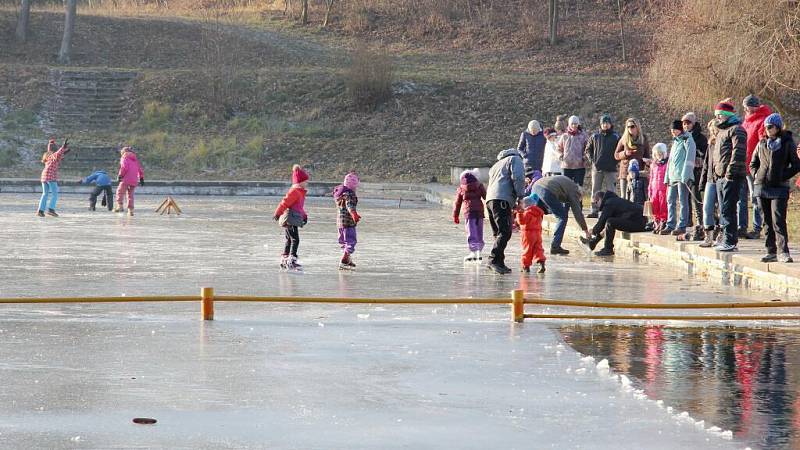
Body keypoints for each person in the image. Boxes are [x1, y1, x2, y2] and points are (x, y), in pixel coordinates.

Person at [750, 113, 800, 263]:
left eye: (770, 127)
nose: (767, 130)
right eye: (765, 127)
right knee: (766, 221)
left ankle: (783, 251)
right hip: (762, 187)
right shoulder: (761, 144)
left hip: (779, 188)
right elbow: (753, 163)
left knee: (778, 220)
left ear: (777, 127)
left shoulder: (787, 143)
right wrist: (757, 176)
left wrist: (782, 176)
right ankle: (770, 251)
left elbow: (796, 165)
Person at [709, 100, 747, 252]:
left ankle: (730, 240)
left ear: (727, 115)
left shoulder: (737, 129)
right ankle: (726, 238)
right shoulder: (721, 132)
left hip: (731, 176)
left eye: (720, 116)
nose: (717, 118)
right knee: (723, 210)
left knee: (728, 208)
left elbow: (738, 152)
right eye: (716, 116)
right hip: (720, 176)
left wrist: (729, 173)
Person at [527, 175, 592, 255]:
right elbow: (577, 212)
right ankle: (555, 246)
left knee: (537, 215)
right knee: (562, 217)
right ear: (580, 194)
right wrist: (585, 230)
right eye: (579, 199)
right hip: (547, 189)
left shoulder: (568, 184)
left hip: (536, 186)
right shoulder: (575, 190)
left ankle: (532, 244)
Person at [485, 148, 526, 274]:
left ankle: (499, 261)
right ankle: (493, 260)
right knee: (505, 231)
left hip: (490, 200)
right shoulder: (515, 159)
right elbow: (518, 178)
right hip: (501, 199)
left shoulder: (496, 165)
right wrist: (520, 196)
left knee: (498, 233)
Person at [740, 95, 772, 239]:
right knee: (742, 198)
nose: (745, 109)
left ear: (754, 106)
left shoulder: (763, 120)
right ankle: (742, 226)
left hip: (755, 166)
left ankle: (758, 227)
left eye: (747, 106)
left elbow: (763, 144)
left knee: (756, 197)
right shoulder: (746, 121)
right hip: (742, 164)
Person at [580, 190, 647, 256]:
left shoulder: (609, 203)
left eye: (596, 203)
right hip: (638, 221)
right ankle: (593, 243)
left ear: (600, 199)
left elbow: (602, 221)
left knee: (610, 222)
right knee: (609, 223)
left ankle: (608, 249)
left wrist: (593, 231)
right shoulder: (612, 200)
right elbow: (604, 224)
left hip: (637, 223)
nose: (596, 206)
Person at [661, 120, 696, 235]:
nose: (673, 133)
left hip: (682, 177)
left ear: (679, 129)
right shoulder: (675, 142)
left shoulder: (688, 140)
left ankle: (682, 225)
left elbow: (690, 159)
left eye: (674, 130)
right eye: (671, 131)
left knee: (683, 201)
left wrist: (685, 175)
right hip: (672, 177)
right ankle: (670, 224)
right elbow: (670, 161)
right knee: (670, 200)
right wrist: (667, 177)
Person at [273, 165, 310, 270]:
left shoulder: (300, 192)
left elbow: (299, 208)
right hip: (290, 219)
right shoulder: (295, 191)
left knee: (289, 239)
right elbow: (284, 202)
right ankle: (291, 261)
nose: (307, 183)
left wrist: (304, 216)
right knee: (295, 240)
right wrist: (277, 213)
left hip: (293, 218)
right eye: (305, 181)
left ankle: (285, 259)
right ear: (300, 182)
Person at [585, 114, 620, 218]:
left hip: (611, 168)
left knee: (611, 191)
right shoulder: (595, 136)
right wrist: (592, 161)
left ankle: (612, 210)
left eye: (607, 123)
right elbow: (588, 150)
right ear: (600, 124)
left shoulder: (616, 137)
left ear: (611, 124)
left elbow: (620, 150)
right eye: (603, 123)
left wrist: (616, 161)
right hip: (597, 168)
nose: (605, 125)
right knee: (595, 190)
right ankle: (594, 210)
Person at [681, 112, 709, 237]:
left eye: (688, 123)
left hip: (696, 170)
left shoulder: (700, 138)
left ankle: (700, 222)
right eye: (684, 123)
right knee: (685, 197)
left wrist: (698, 156)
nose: (686, 126)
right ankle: (687, 221)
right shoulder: (681, 137)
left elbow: (705, 153)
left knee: (695, 196)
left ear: (693, 124)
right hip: (684, 170)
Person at [453, 169, 487, 262]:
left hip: (469, 212)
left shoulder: (461, 188)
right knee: (479, 231)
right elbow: (486, 197)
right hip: (480, 211)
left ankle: (473, 252)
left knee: (471, 232)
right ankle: (479, 251)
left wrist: (455, 215)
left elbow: (457, 203)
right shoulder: (479, 186)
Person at [699, 119, 722, 247]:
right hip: (710, 179)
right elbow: (706, 164)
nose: (713, 132)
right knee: (707, 207)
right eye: (712, 130)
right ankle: (708, 234)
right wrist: (702, 182)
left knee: (721, 208)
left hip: (721, 179)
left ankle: (722, 234)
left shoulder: (724, 142)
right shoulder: (711, 144)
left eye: (715, 129)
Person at [615, 117, 650, 199]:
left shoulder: (643, 139)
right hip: (625, 171)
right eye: (628, 127)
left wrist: (648, 164)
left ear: (637, 127)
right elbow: (616, 155)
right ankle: (623, 212)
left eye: (632, 126)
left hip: (638, 172)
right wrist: (625, 153)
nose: (630, 128)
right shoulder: (624, 139)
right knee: (624, 197)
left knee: (634, 196)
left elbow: (647, 156)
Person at [333, 172, 361, 270]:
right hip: (348, 223)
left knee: (344, 243)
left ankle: (347, 259)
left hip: (340, 223)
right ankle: (344, 259)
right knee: (350, 242)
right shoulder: (350, 194)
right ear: (354, 185)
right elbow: (350, 205)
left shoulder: (340, 194)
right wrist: (354, 214)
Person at [37, 139, 71, 217]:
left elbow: (58, 156)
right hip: (51, 176)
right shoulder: (54, 155)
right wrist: (63, 147)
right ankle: (51, 210)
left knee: (45, 194)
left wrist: (64, 152)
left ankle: (40, 211)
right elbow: (57, 154)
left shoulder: (47, 155)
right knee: (55, 194)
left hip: (44, 176)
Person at [515, 193, 546, 273]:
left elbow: (521, 222)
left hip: (528, 234)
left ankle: (525, 266)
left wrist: (519, 213)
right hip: (538, 234)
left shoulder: (527, 213)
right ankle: (541, 263)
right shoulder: (538, 213)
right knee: (538, 249)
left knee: (527, 250)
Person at [556, 115, 589, 187]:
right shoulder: (564, 136)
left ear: (578, 124)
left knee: (578, 187)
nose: (574, 126)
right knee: (566, 187)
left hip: (579, 165)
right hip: (566, 166)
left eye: (575, 124)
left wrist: (584, 157)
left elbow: (588, 148)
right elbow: (558, 148)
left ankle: (578, 198)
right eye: (572, 124)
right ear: (569, 124)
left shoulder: (583, 135)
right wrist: (560, 156)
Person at [114, 147, 145, 216]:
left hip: (126, 178)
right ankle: (130, 211)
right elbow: (140, 169)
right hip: (134, 179)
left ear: (123, 152)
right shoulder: (135, 160)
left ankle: (120, 206)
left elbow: (124, 167)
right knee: (130, 195)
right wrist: (141, 178)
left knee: (120, 192)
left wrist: (120, 176)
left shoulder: (124, 157)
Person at [648, 143, 669, 233]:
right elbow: (651, 178)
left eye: (660, 154)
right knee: (654, 207)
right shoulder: (653, 165)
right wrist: (649, 190)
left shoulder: (667, 164)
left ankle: (663, 222)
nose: (658, 156)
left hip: (663, 189)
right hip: (654, 189)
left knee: (663, 206)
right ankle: (656, 222)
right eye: (657, 154)